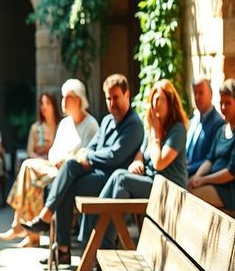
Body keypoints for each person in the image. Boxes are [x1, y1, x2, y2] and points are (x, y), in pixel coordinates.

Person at [23, 73, 143, 265]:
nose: (112, 103)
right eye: (108, 98)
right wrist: (85, 154)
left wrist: (88, 156)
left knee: (65, 184)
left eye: (116, 97)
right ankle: (58, 241)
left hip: (112, 180)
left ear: (127, 94)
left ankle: (59, 241)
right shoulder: (107, 121)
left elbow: (115, 156)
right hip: (97, 173)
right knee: (69, 170)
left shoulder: (133, 124)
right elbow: (93, 146)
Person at [80, 79, 188, 250]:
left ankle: (99, 240)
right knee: (120, 176)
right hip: (152, 182)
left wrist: (156, 133)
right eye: (154, 99)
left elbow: (160, 163)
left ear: (171, 103)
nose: (156, 104)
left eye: (160, 99)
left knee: (121, 178)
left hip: (169, 188)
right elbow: (141, 154)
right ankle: (101, 240)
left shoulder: (177, 130)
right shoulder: (153, 127)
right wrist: (136, 163)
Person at [0, 79, 99, 247]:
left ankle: (24, 227)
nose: (63, 102)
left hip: (73, 173)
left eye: (67, 98)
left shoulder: (91, 125)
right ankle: (23, 226)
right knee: (28, 165)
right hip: (55, 167)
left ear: (78, 100)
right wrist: (55, 159)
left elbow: (87, 155)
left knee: (32, 176)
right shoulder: (65, 123)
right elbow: (54, 150)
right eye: (62, 97)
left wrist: (66, 160)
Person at [188, 79, 235, 209]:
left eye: (228, 103)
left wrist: (203, 180)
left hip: (230, 192)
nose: (223, 108)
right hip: (213, 184)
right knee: (183, 187)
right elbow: (209, 160)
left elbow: (232, 172)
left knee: (189, 196)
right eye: (221, 103)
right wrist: (197, 177)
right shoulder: (222, 130)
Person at [186, 77, 225, 177]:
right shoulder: (194, 120)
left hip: (198, 177)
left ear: (211, 94)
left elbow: (212, 159)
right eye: (195, 93)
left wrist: (187, 169)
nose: (197, 97)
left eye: (201, 92)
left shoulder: (218, 123)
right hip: (183, 173)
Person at [26, 93, 60, 160]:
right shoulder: (35, 128)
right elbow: (30, 152)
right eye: (42, 103)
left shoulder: (62, 126)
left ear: (54, 106)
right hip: (39, 163)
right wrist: (41, 158)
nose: (44, 107)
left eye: (48, 103)